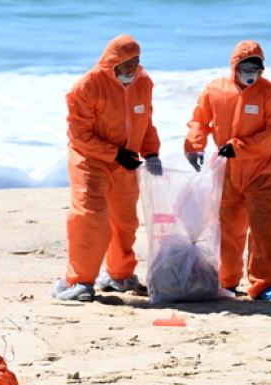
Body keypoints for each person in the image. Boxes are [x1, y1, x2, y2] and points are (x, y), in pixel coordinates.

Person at [52, 34, 162, 302]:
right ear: (112, 62)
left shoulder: (143, 82)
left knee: (125, 222)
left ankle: (119, 275)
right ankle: (79, 281)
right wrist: (115, 154)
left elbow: (145, 120)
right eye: (127, 64)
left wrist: (151, 152)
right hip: (90, 161)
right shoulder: (87, 85)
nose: (133, 69)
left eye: (136, 63)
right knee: (91, 219)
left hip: (125, 163)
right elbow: (79, 133)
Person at [184, 40, 271, 301]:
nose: (251, 73)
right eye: (246, 68)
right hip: (226, 171)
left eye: (256, 68)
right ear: (235, 67)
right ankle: (227, 282)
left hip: (261, 170)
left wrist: (241, 147)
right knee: (227, 230)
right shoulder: (215, 90)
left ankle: (264, 284)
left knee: (266, 229)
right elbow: (199, 120)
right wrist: (194, 146)